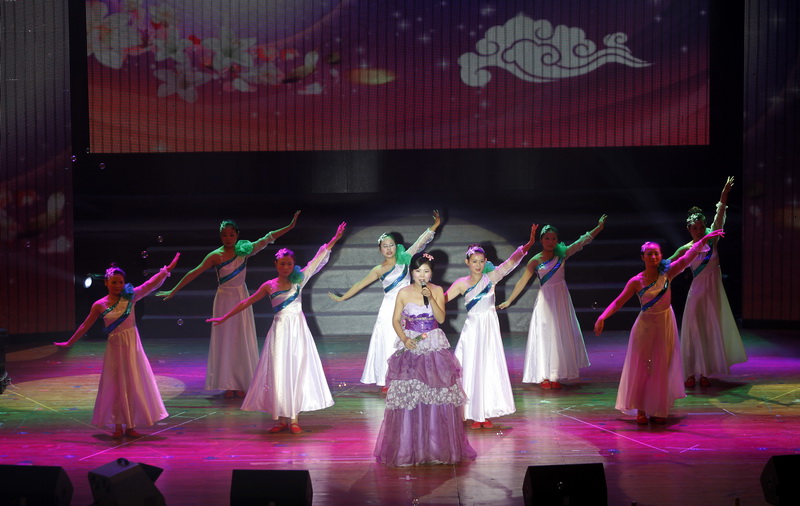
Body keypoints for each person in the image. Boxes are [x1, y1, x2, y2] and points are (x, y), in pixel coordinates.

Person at [207, 222, 346, 434]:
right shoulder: (269, 285)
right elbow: (246, 302)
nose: (286, 267)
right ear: (276, 265)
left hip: (298, 332)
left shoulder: (299, 281)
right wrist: (224, 317)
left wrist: (334, 239)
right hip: (279, 333)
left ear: (294, 265)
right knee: (279, 372)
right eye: (282, 264)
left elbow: (318, 259)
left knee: (296, 371)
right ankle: (281, 419)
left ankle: (294, 418)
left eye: (289, 264)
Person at [157, 211, 300, 400]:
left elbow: (268, 238)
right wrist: (174, 289)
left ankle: (242, 382)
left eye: (231, 235)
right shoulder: (215, 255)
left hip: (241, 296)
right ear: (220, 236)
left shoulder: (244, 250)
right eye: (224, 235)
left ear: (237, 235)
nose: (228, 238)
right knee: (226, 339)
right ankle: (228, 384)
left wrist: (289, 227)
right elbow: (195, 272)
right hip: (224, 299)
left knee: (241, 338)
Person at [593, 229, 725, 425]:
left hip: (665, 324)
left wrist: (703, 240)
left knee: (661, 366)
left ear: (661, 256)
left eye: (656, 253)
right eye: (649, 254)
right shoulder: (636, 281)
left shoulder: (668, 273)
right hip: (645, 326)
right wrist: (602, 317)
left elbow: (687, 258)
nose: (653, 257)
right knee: (643, 367)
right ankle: (641, 408)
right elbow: (618, 302)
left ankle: (657, 408)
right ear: (643, 257)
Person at [55, 253, 181, 438]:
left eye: (121, 282)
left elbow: (149, 285)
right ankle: (117, 425)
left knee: (132, 384)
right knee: (116, 386)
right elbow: (84, 325)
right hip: (115, 349)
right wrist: (69, 342)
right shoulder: (99, 305)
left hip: (132, 348)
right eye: (114, 282)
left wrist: (166, 271)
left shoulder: (130, 297)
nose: (118, 285)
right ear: (106, 283)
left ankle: (130, 425)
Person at [374, 252, 476, 467]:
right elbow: (395, 320)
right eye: (418, 271)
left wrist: (430, 297)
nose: (422, 275)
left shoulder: (436, 290)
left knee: (436, 393)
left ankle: (436, 449)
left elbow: (441, 318)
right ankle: (408, 449)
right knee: (411, 394)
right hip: (411, 343)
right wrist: (404, 339)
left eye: (426, 271)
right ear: (411, 272)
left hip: (433, 343)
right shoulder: (403, 292)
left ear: (431, 273)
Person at [328, 210, 441, 390]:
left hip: (408, 306)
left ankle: (409, 377)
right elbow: (359, 284)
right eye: (385, 246)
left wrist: (434, 226)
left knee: (409, 339)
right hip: (389, 308)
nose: (389, 249)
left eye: (391, 245)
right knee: (388, 341)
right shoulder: (378, 269)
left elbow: (420, 242)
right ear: (380, 249)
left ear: (396, 246)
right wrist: (343, 298)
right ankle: (387, 379)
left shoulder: (405, 259)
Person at [444, 224, 538, 430]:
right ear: (467, 262)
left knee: (487, 368)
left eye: (481, 261)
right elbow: (441, 300)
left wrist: (528, 244)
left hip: (489, 330)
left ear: (486, 262)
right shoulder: (461, 283)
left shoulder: (491, 278)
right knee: (470, 368)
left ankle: (484, 412)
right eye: (474, 261)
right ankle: (469, 412)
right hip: (472, 330)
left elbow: (510, 263)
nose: (478, 265)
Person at [498, 216, 607, 388]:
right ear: (541, 240)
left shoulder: (562, 254)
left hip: (561, 299)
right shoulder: (535, 260)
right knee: (545, 335)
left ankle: (555, 374)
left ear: (557, 240)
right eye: (547, 238)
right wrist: (510, 300)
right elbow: (522, 281)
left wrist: (599, 227)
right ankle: (544, 376)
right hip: (545, 301)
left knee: (558, 335)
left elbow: (581, 242)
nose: (550, 242)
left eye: (553, 238)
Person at [668, 177, 746, 387]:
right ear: (689, 229)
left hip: (714, 293)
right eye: (695, 228)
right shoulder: (686, 249)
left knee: (709, 331)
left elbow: (720, 217)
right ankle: (690, 372)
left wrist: (724, 194)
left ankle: (704, 372)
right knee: (694, 331)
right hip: (698, 293)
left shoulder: (712, 238)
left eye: (702, 227)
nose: (699, 231)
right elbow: (669, 263)